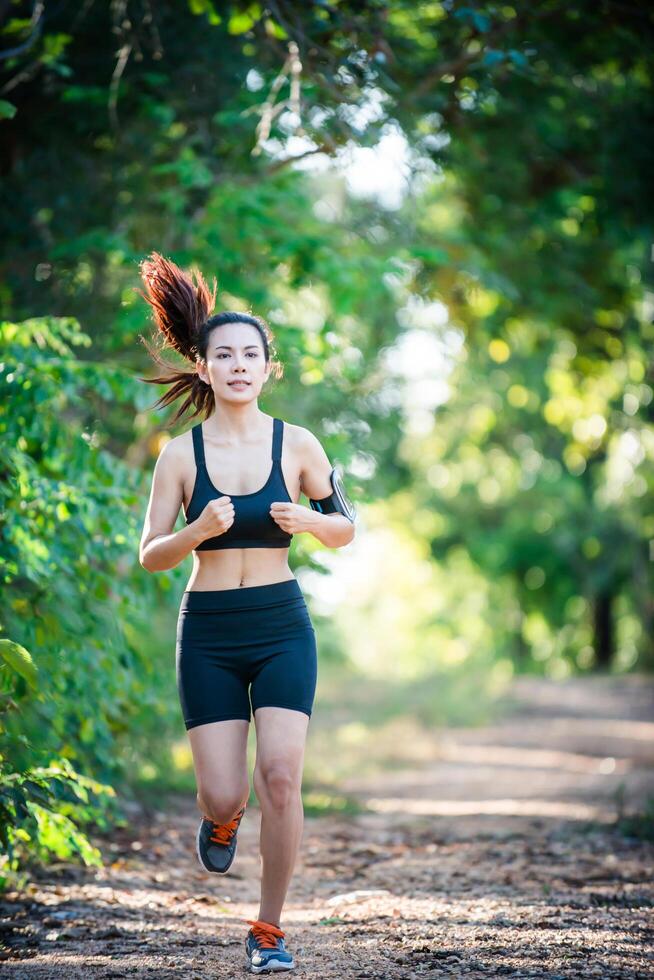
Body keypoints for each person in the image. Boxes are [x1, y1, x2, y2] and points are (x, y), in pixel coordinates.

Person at [135, 252, 356, 974]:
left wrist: (311, 523)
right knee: (223, 790)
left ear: (269, 369)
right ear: (202, 367)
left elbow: (347, 525)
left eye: (250, 355)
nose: (237, 365)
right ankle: (222, 819)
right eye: (223, 354)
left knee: (283, 777)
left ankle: (269, 932)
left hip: (281, 625)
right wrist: (197, 532)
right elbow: (151, 555)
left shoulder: (298, 444)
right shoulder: (179, 456)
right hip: (208, 635)